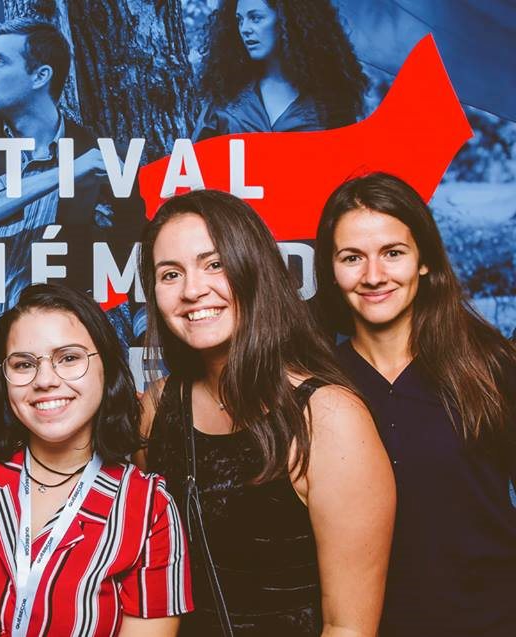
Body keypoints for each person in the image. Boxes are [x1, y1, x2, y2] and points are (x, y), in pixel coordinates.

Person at [136, 189, 395, 636]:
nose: (193, 290)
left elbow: (348, 628)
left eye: (214, 264)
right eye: (170, 274)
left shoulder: (328, 418)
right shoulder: (158, 408)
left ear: (253, 269)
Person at [0, 283, 193, 636]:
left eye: (69, 358)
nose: (45, 380)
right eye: (24, 364)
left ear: (106, 366)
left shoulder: (150, 509)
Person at [313, 172, 516, 637]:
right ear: (331, 268)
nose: (373, 276)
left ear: (423, 260)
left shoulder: (489, 366)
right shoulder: (317, 385)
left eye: (393, 253)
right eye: (351, 258)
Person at [0, 18, 145, 353]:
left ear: (40, 76)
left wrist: (146, 337)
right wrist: (67, 171)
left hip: (51, 351)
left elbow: (132, 254)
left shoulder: (99, 157)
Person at [193, 0, 367, 140]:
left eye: (256, 18)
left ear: (286, 19)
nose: (244, 29)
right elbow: (195, 172)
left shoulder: (331, 103)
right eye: (239, 20)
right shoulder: (224, 97)